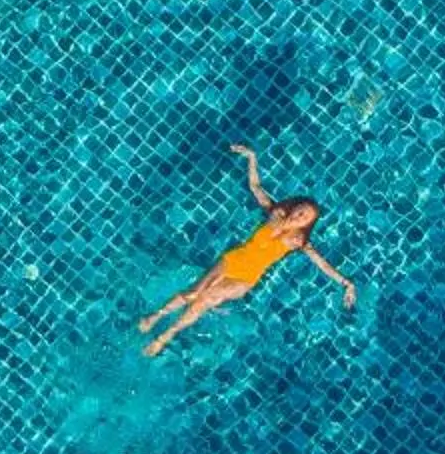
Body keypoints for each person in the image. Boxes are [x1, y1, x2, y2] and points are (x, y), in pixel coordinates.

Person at [138, 144, 356, 357]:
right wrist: (252, 157)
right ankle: (156, 316)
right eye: (300, 211)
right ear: (294, 206)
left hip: (246, 278)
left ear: (306, 224)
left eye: (305, 218)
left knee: (204, 301)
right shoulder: (275, 213)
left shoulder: (298, 241)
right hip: (233, 259)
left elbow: (322, 264)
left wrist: (346, 283)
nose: (300, 217)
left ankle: (164, 337)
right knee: (194, 293)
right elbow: (256, 187)